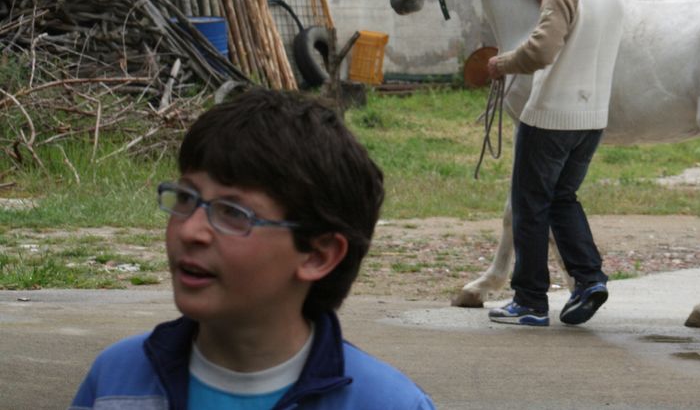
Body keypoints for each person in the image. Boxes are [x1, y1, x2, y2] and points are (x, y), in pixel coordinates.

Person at [70, 88, 435, 409]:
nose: (191, 230)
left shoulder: (387, 403)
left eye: (233, 213)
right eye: (185, 197)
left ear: (317, 255)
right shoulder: (115, 382)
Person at [486, 0, 626, 327]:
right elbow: (583, 7)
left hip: (550, 118)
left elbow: (541, 52)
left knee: (530, 206)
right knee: (563, 198)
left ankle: (530, 301)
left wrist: (500, 63)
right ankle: (589, 279)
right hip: (592, 119)